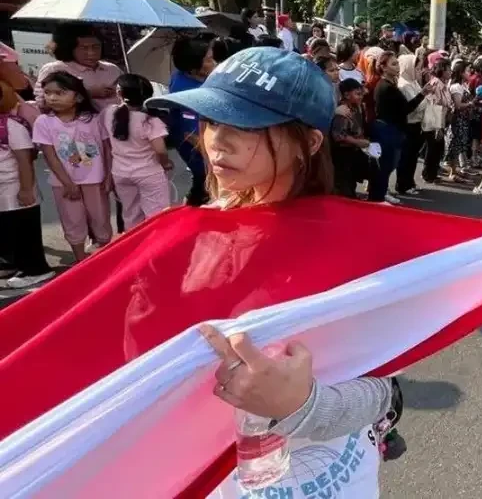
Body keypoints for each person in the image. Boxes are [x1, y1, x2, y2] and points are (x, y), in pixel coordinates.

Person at [146, 47, 399, 497]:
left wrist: (299, 404)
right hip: (216, 480)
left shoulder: (350, 243)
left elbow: (385, 388)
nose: (216, 141)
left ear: (310, 142)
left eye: (243, 126)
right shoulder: (187, 236)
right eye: (210, 122)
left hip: (330, 481)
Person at [33, 71, 112, 262]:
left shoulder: (93, 119)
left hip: (95, 180)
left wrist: (109, 176)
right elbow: (50, 156)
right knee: (72, 220)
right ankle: (80, 260)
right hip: (64, 184)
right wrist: (67, 183)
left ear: (77, 96)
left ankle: (107, 257)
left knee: (101, 219)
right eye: (48, 93)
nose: (52, 97)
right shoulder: (44, 122)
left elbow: (106, 149)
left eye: (60, 93)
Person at [0, 81, 54, 289]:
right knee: (10, 231)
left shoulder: (11, 125)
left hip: (18, 189)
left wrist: (25, 189)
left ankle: (36, 269)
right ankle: (20, 266)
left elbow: (24, 160)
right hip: (4, 190)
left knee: (24, 232)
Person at [103, 74, 173, 231]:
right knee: (157, 216)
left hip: (121, 173)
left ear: (119, 92)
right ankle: (156, 249)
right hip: (148, 173)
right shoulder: (150, 121)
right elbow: (160, 150)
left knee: (130, 215)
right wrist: (166, 163)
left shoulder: (108, 113)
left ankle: (134, 248)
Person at [168, 36, 218, 206]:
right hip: (194, 146)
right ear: (194, 66)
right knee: (205, 179)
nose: (215, 63)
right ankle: (192, 209)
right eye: (209, 60)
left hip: (203, 137)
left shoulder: (194, 77)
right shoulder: (186, 91)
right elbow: (190, 134)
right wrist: (215, 156)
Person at [370, 51, 424, 204]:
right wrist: (422, 94)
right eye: (393, 64)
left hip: (393, 130)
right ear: (383, 67)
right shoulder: (385, 87)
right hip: (387, 130)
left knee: (389, 165)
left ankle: (381, 192)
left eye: (397, 63)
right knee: (385, 165)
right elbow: (405, 109)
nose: (397, 67)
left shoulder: (390, 85)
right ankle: (377, 196)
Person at [34, 23, 123, 113]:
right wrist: (87, 93)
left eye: (96, 47)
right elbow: (43, 105)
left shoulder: (113, 69)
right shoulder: (55, 69)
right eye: (84, 48)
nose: (91, 53)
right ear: (69, 48)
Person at [331, 79, 372, 198]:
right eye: (357, 94)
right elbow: (338, 135)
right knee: (345, 186)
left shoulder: (358, 107)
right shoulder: (343, 111)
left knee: (352, 182)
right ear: (346, 95)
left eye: (361, 94)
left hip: (353, 153)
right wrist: (357, 142)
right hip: (342, 155)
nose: (360, 97)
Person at [395, 53, 426, 196]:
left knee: (413, 156)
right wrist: (425, 96)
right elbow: (415, 105)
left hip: (418, 123)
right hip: (409, 124)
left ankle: (410, 182)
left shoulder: (413, 82)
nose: (418, 71)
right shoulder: (403, 85)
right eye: (417, 68)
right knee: (406, 157)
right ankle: (402, 184)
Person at [444, 60, 473, 183]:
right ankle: (452, 171)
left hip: (464, 119)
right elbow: (458, 105)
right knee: (455, 144)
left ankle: (455, 170)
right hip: (457, 120)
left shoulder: (463, 86)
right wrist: (470, 103)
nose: (469, 73)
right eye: (467, 70)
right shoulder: (456, 87)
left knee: (460, 144)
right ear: (461, 73)